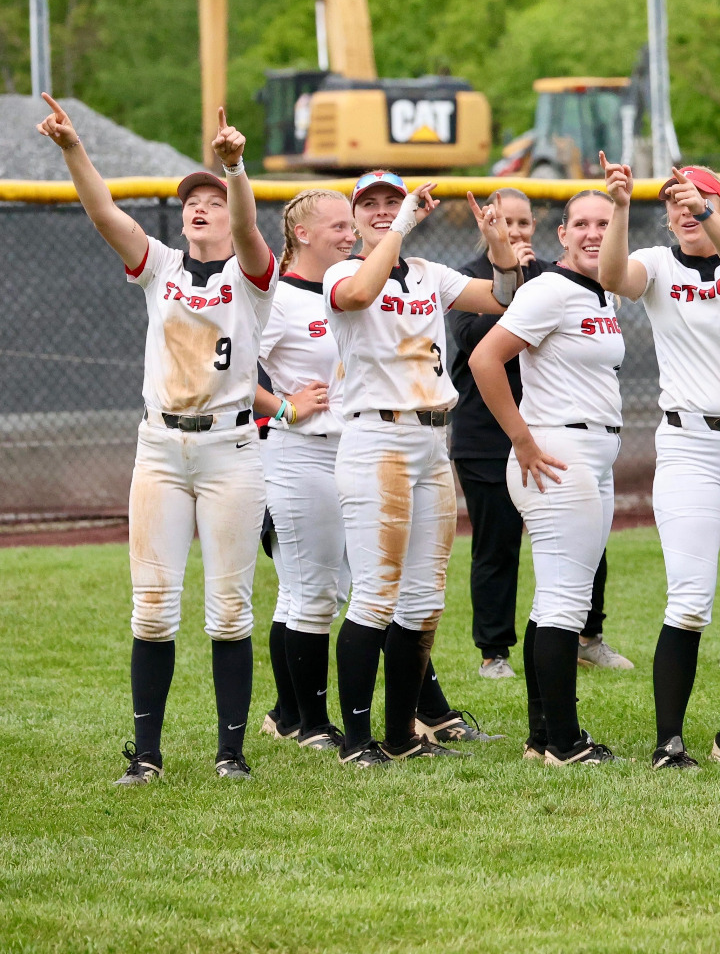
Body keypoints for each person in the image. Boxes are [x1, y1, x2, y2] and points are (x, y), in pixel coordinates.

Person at [39, 100, 275, 785]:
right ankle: (146, 757)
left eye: (211, 200)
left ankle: (230, 755)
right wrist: (73, 151)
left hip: (231, 451)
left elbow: (254, 235)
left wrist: (234, 169)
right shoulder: (162, 267)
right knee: (152, 607)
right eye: (191, 201)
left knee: (229, 610)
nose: (199, 208)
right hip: (161, 450)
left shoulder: (250, 277)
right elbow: (105, 216)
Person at [324, 170, 523, 767]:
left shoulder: (431, 275)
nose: (385, 211)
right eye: (373, 204)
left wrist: (497, 248)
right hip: (376, 437)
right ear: (356, 217)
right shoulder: (342, 271)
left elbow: (504, 297)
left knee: (422, 600)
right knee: (375, 597)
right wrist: (405, 222)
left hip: (433, 439)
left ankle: (402, 734)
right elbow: (360, 294)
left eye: (393, 201)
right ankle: (356, 743)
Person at [597, 163, 720, 770]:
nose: (685, 210)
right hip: (691, 444)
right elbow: (612, 276)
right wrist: (624, 207)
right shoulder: (657, 263)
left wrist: (706, 211)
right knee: (690, 599)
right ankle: (668, 741)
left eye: (700, 199)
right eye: (677, 202)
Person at [470, 184, 629, 766]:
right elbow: (484, 358)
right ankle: (564, 741)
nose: (593, 234)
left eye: (604, 224)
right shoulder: (552, 289)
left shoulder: (600, 293)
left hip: (590, 455)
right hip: (558, 451)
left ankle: (543, 736)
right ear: (560, 235)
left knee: (556, 599)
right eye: (581, 223)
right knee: (565, 601)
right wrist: (522, 439)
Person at [254, 189, 354, 752]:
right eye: (338, 225)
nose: (350, 234)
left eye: (351, 225)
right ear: (303, 234)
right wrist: (285, 404)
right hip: (300, 451)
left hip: (349, 453)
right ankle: (312, 726)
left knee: (324, 589)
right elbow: (230, 367)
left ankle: (285, 711)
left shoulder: (346, 288)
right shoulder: (279, 298)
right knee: (308, 592)